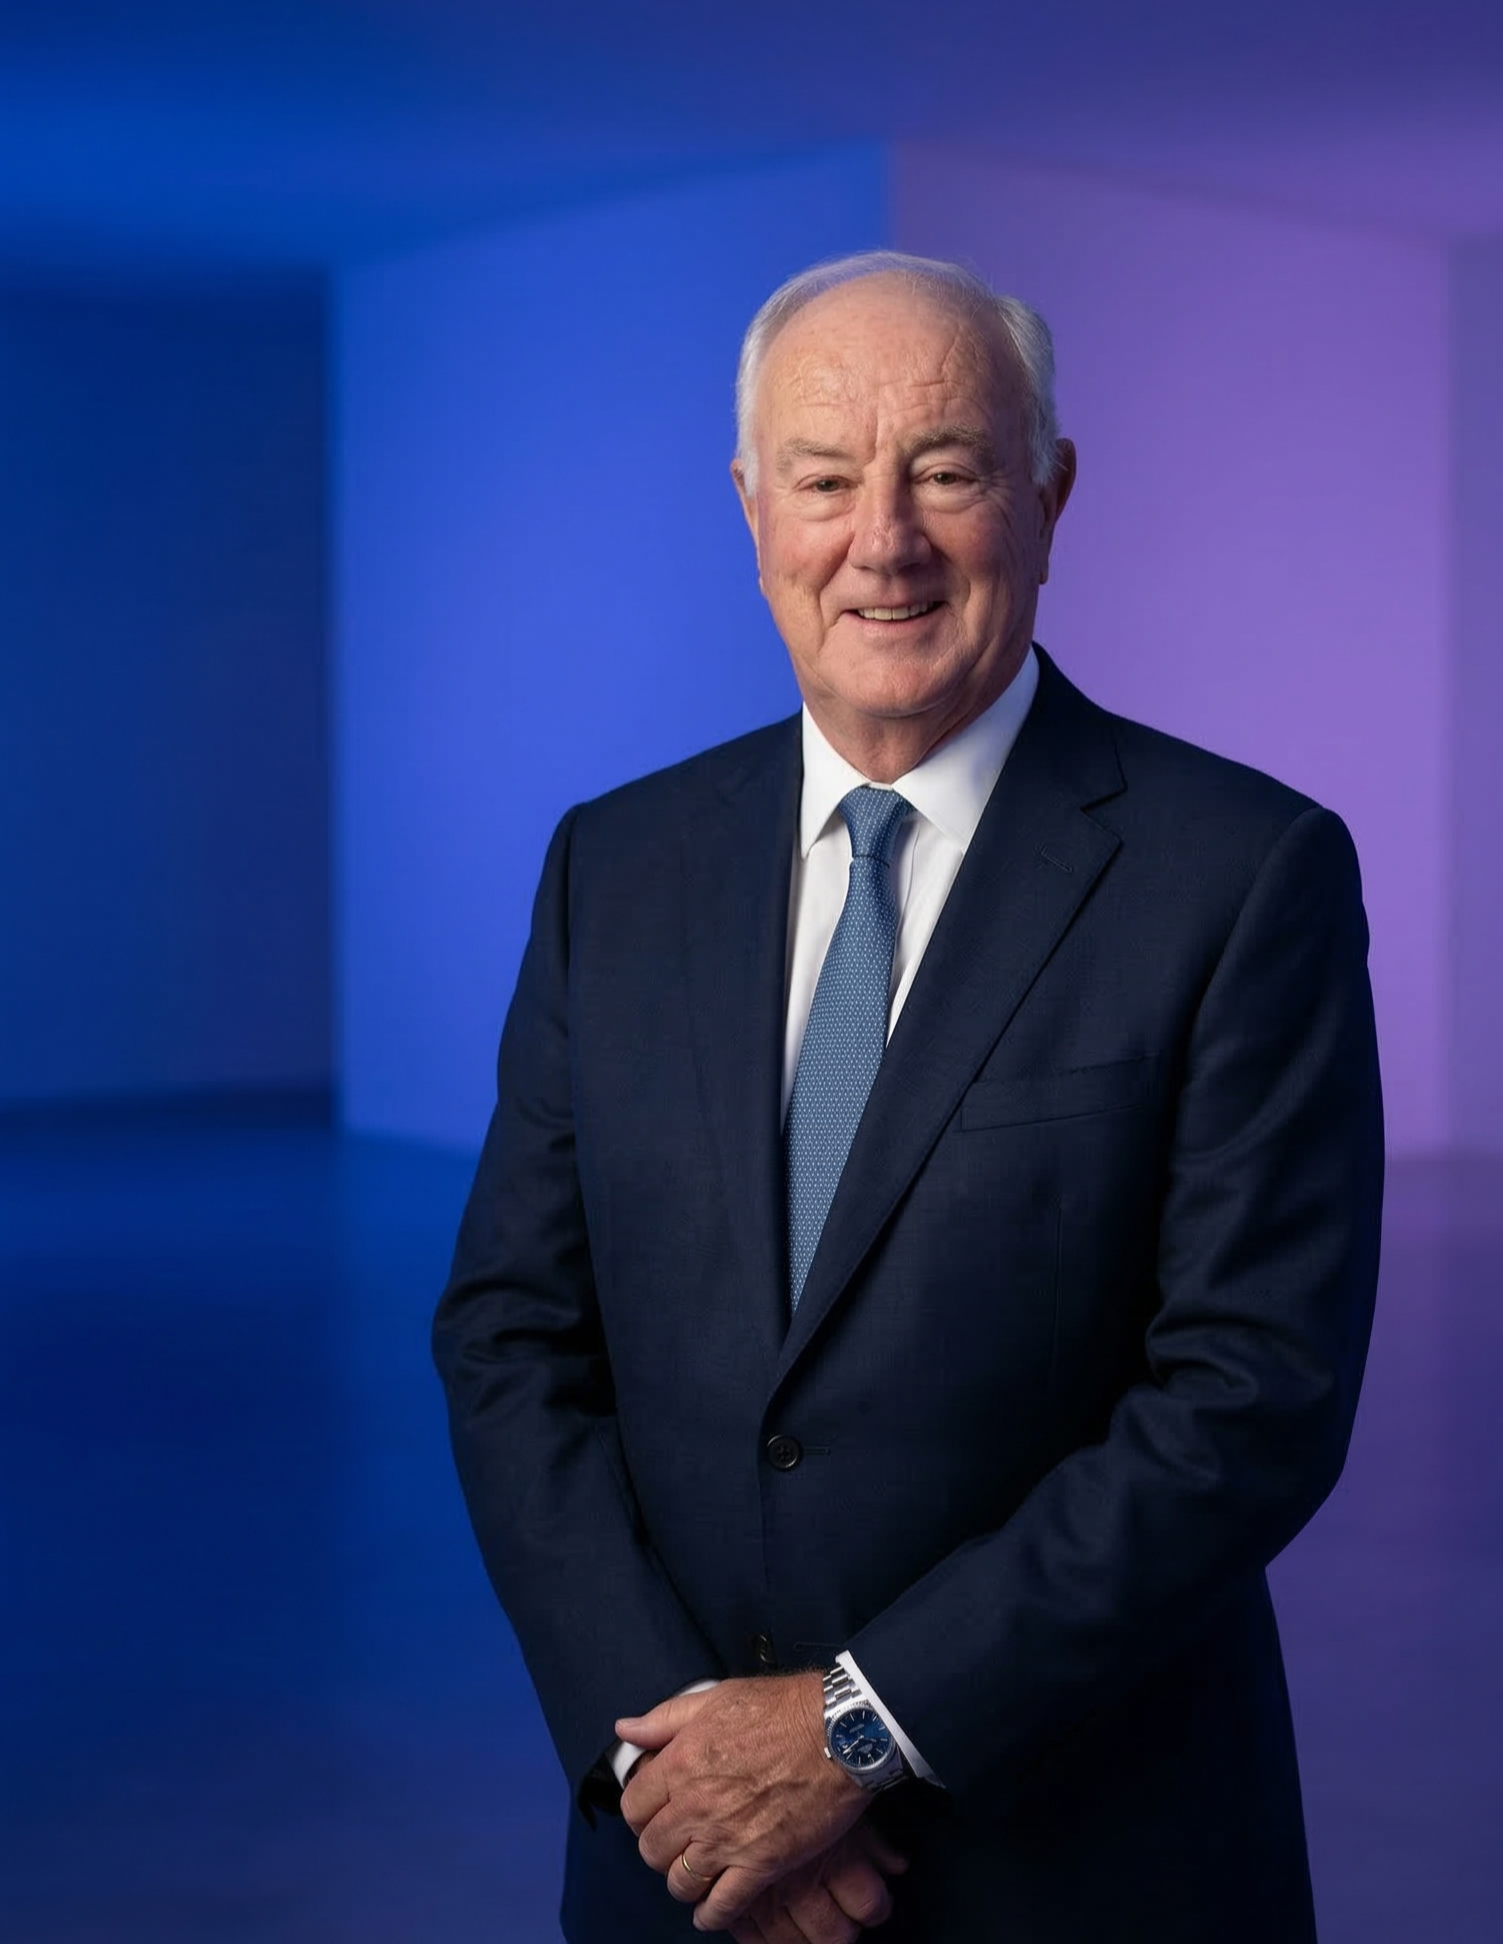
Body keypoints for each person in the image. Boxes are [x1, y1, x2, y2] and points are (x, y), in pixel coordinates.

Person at [432, 249, 1383, 1944]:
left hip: (1082, 1865)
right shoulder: (615, 868)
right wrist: (679, 1765)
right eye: (822, 478)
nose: (884, 539)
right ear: (749, 506)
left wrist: (852, 1735)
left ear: (1050, 492)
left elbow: (1252, 1398)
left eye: (947, 469)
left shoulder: (1242, 876)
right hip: (689, 1872)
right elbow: (512, 1337)